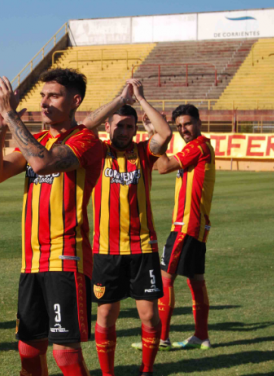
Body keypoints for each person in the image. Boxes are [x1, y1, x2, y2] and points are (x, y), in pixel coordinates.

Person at [0, 69, 133, 376]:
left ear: (75, 100)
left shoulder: (86, 140)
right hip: (31, 261)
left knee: (65, 355)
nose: (45, 102)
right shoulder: (35, 140)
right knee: (28, 350)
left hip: (65, 260)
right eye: (42, 95)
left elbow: (42, 163)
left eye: (54, 95)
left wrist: (11, 115)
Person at [82, 79, 172, 376]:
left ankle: (146, 370)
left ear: (136, 129)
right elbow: (83, 128)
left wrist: (141, 99)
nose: (124, 131)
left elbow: (166, 133)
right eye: (118, 126)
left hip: (143, 248)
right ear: (108, 127)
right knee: (106, 313)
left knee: (149, 317)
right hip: (106, 251)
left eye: (129, 127)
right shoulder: (97, 152)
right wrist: (119, 97)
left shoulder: (145, 153)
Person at [133, 104, 215, 351]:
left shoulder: (197, 146)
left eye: (187, 124)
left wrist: (159, 137)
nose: (183, 129)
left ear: (199, 122)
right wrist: (153, 134)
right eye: (179, 127)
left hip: (185, 225)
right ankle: (201, 336)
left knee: (164, 278)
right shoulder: (201, 146)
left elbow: (163, 166)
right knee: (196, 280)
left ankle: (162, 337)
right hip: (197, 224)